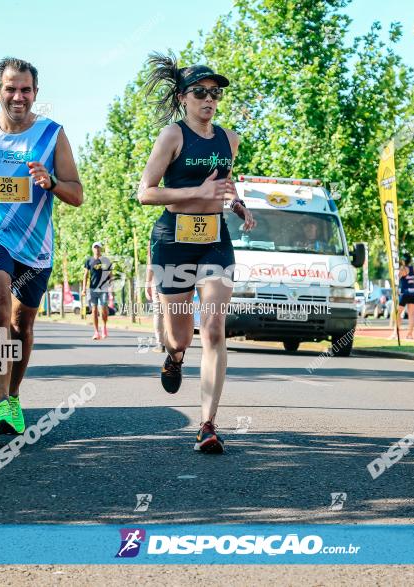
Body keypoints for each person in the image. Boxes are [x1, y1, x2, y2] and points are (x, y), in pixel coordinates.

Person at [0, 56, 83, 436]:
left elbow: (77, 194)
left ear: (35, 93)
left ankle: (14, 395)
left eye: (25, 89)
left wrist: (52, 182)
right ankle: (0, 403)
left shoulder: (52, 135)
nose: (18, 96)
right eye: (11, 89)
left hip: (35, 244)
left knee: (21, 325)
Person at [138, 53, 255, 453]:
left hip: (214, 241)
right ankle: (173, 357)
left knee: (215, 328)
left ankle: (207, 424)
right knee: (180, 336)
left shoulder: (229, 139)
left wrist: (236, 204)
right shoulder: (172, 136)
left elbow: (224, 184)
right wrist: (196, 193)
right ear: (184, 98)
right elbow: (146, 193)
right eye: (201, 92)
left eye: (215, 93)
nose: (209, 100)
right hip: (174, 240)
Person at [82, 242, 113, 340]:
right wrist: (83, 289)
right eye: (95, 247)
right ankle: (96, 332)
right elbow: (85, 275)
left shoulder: (106, 260)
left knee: (103, 309)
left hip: (103, 288)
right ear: (92, 249)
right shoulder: (89, 261)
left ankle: (104, 327)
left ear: (101, 249)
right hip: (92, 289)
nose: (97, 249)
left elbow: (110, 275)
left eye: (98, 247)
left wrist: (111, 287)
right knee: (94, 310)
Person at [391, 253, 414, 339]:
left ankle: (395, 333)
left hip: (405, 293)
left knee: (398, 313)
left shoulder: (402, 270)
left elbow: (396, 281)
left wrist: (396, 291)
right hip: (413, 292)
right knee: (412, 314)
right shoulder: (413, 269)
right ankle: (409, 334)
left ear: (403, 261)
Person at [145, 244, 166, 352]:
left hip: (158, 277)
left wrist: (148, 282)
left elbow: (151, 263)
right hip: (178, 277)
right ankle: (173, 341)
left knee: (158, 312)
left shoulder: (155, 237)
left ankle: (160, 343)